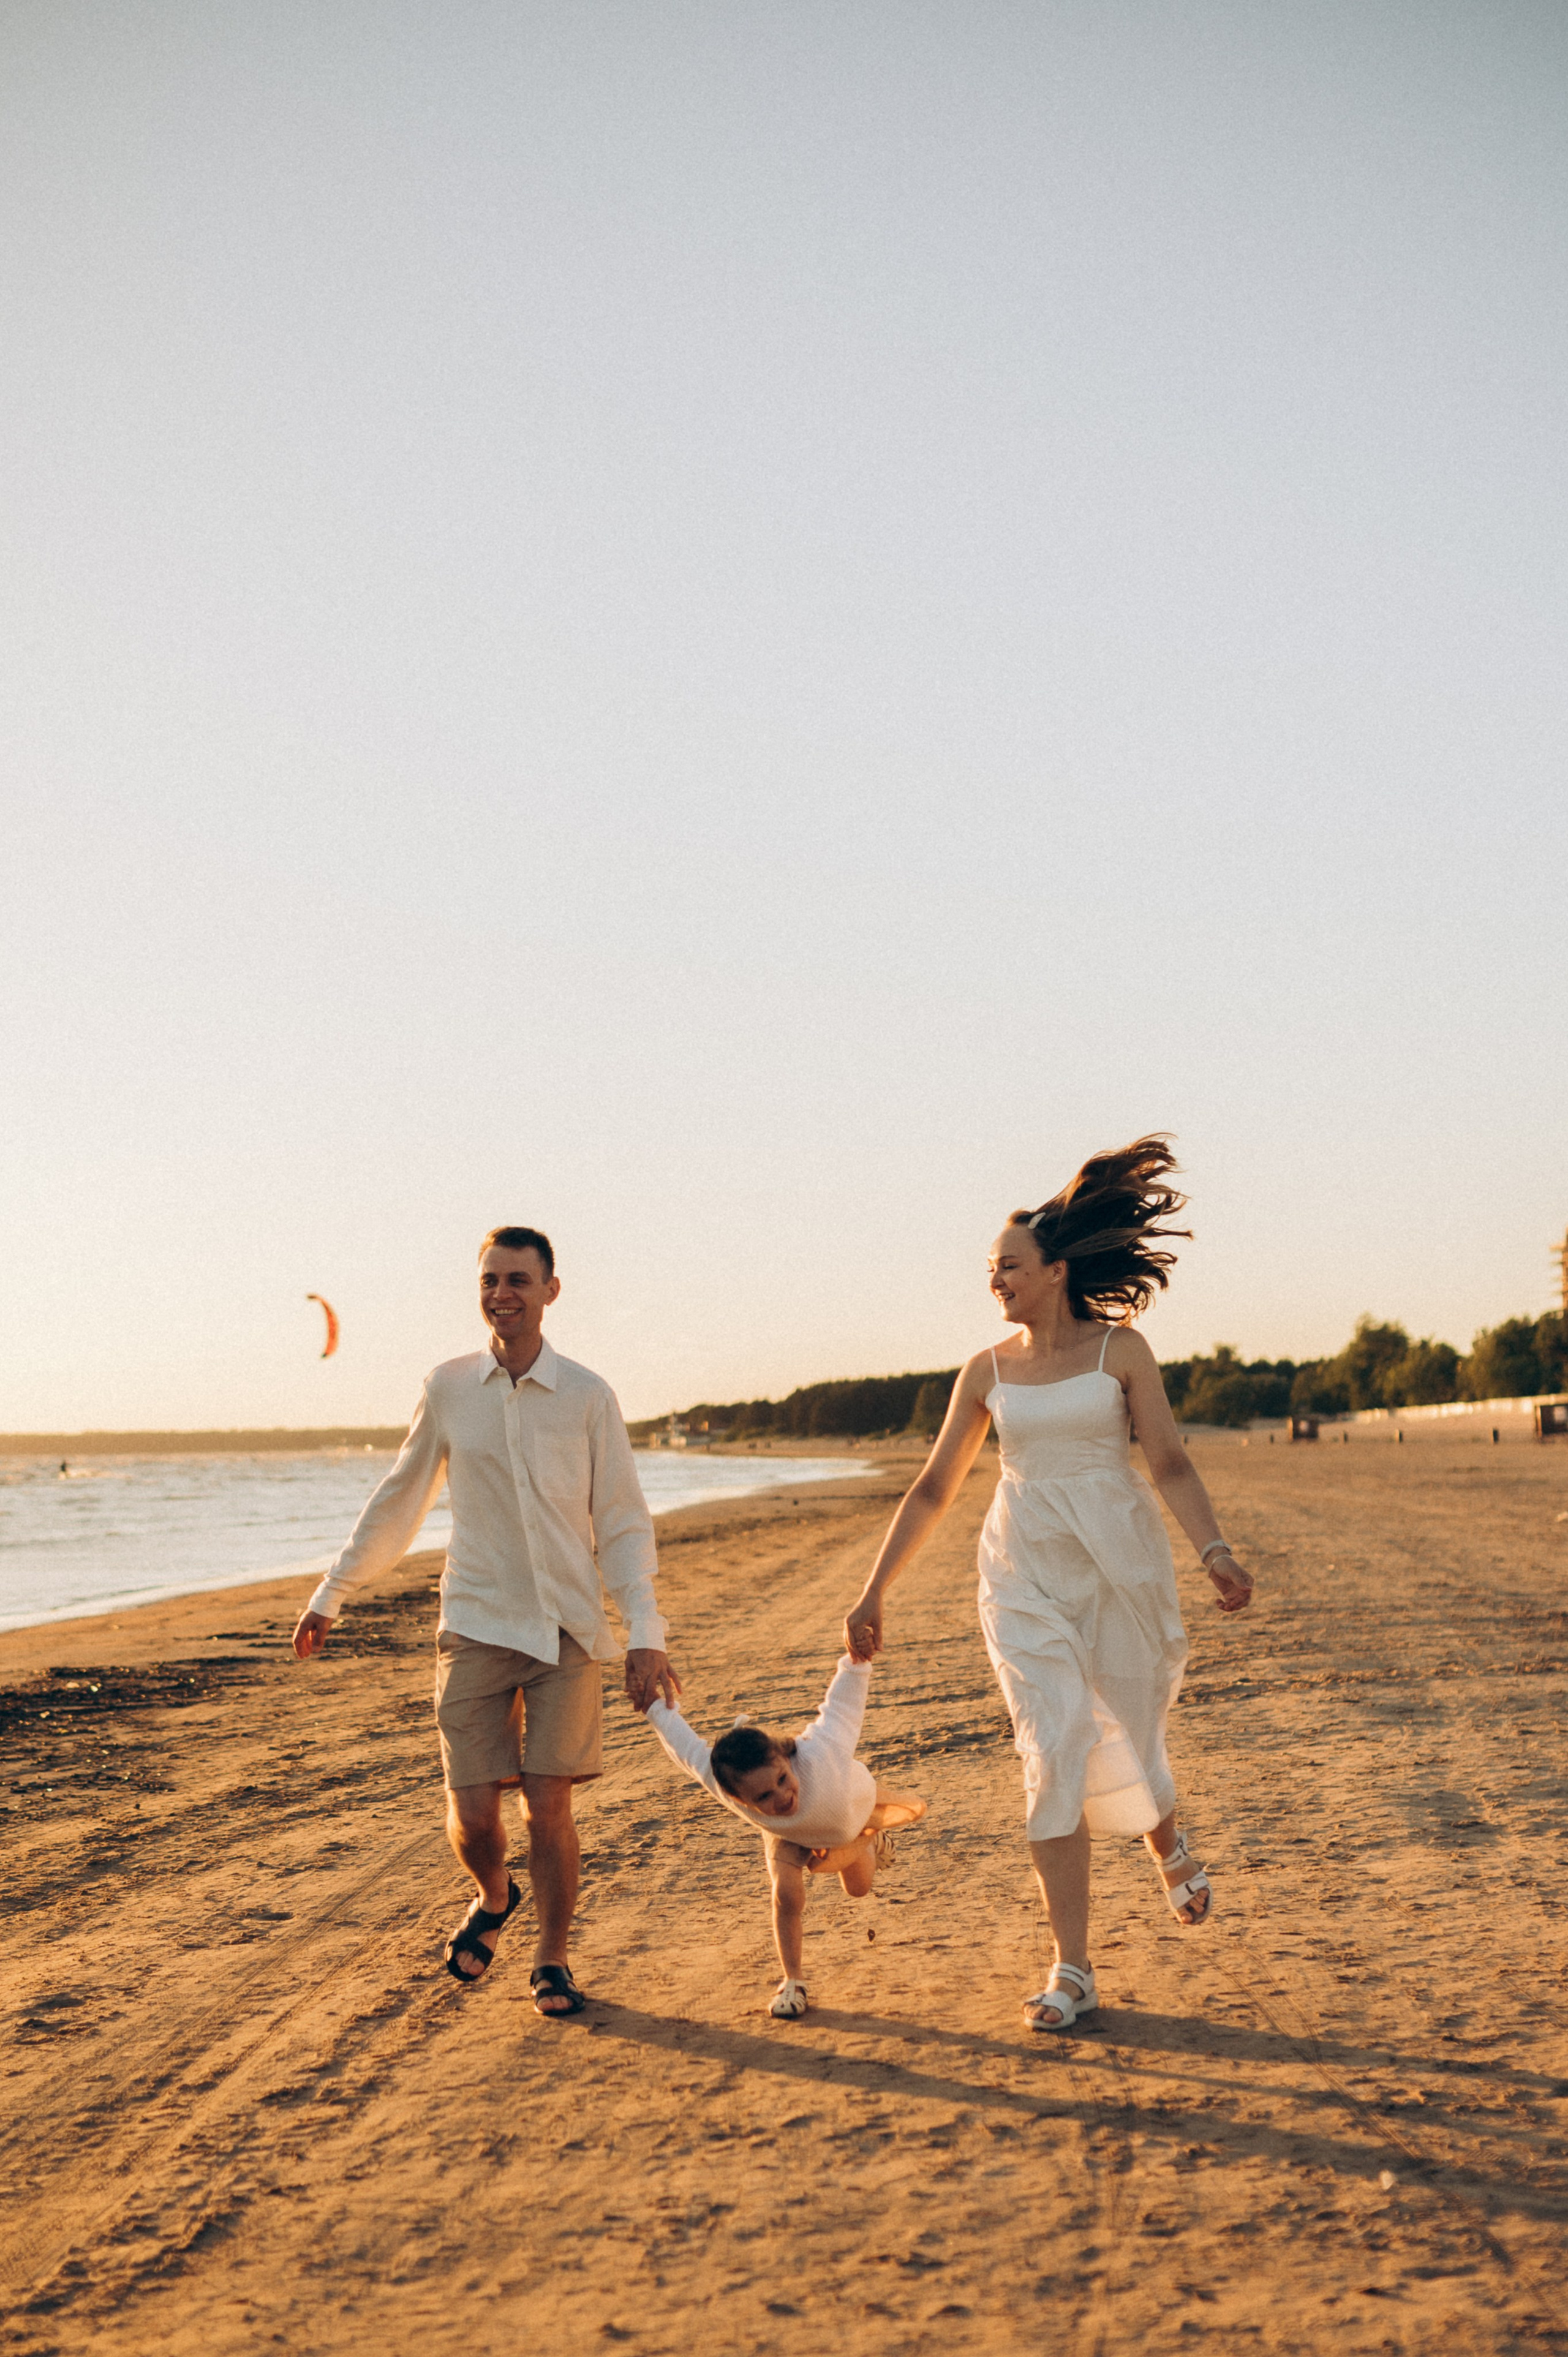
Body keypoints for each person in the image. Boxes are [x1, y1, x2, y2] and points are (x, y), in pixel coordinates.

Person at [842, 1137, 1253, 2033]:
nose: (996, 1279)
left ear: (1057, 1271)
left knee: (1128, 1718)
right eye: (990, 1269)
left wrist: (1214, 1551)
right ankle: (1073, 1967)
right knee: (1055, 1740)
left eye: (1011, 1266)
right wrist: (874, 1592)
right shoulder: (986, 1372)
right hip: (1022, 1572)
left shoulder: (1122, 1351)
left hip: (1118, 1561)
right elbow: (934, 1487)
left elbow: (1171, 1462)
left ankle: (1166, 1837)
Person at [291, 1225, 679, 2013]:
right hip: (473, 1621)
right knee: (471, 1817)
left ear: (550, 1290)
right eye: (490, 1280)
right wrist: (335, 1589)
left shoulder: (588, 1396)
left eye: (518, 1280)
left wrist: (646, 1631)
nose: (502, 1293)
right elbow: (401, 1496)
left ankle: (553, 1959)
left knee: (549, 1803)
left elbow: (624, 1522)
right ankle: (495, 1894)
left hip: (566, 1628)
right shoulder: (447, 1389)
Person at [643, 1654, 925, 2020]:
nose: (781, 1797)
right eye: (763, 1797)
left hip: (847, 1815)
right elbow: (686, 1748)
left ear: (785, 1760)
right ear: (738, 1799)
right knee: (786, 1895)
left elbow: (842, 1704)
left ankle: (870, 1843)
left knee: (858, 1889)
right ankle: (793, 1981)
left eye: (781, 1780)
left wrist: (856, 1661)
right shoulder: (724, 1785)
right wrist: (653, 1706)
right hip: (786, 1835)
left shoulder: (820, 1753)